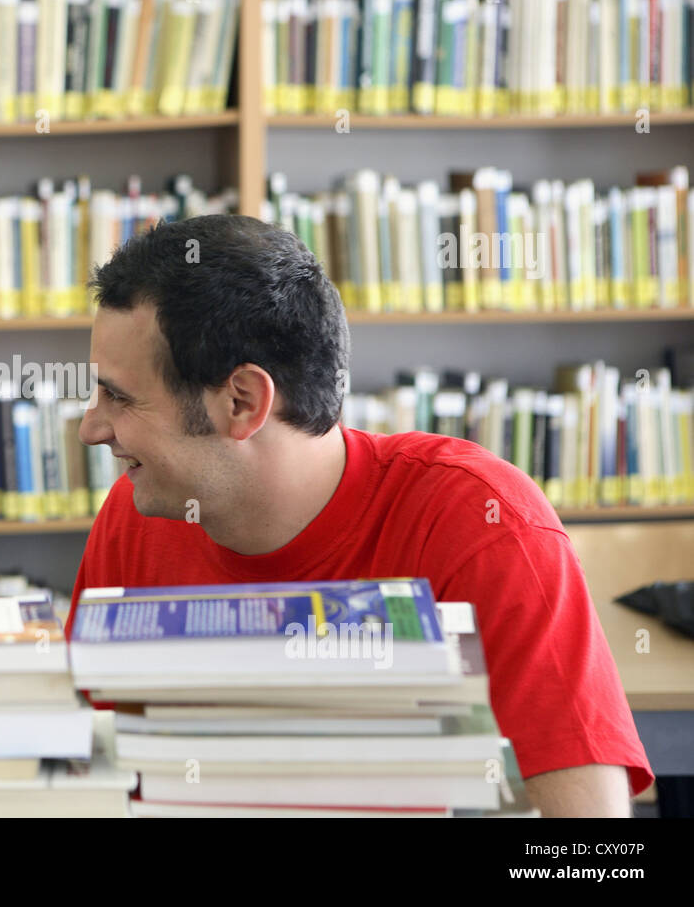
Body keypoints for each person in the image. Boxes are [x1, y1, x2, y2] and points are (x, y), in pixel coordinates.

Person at [67, 214, 653, 818]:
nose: (91, 428)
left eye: (120, 396)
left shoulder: (482, 523)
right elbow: (76, 783)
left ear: (242, 401)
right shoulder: (135, 519)